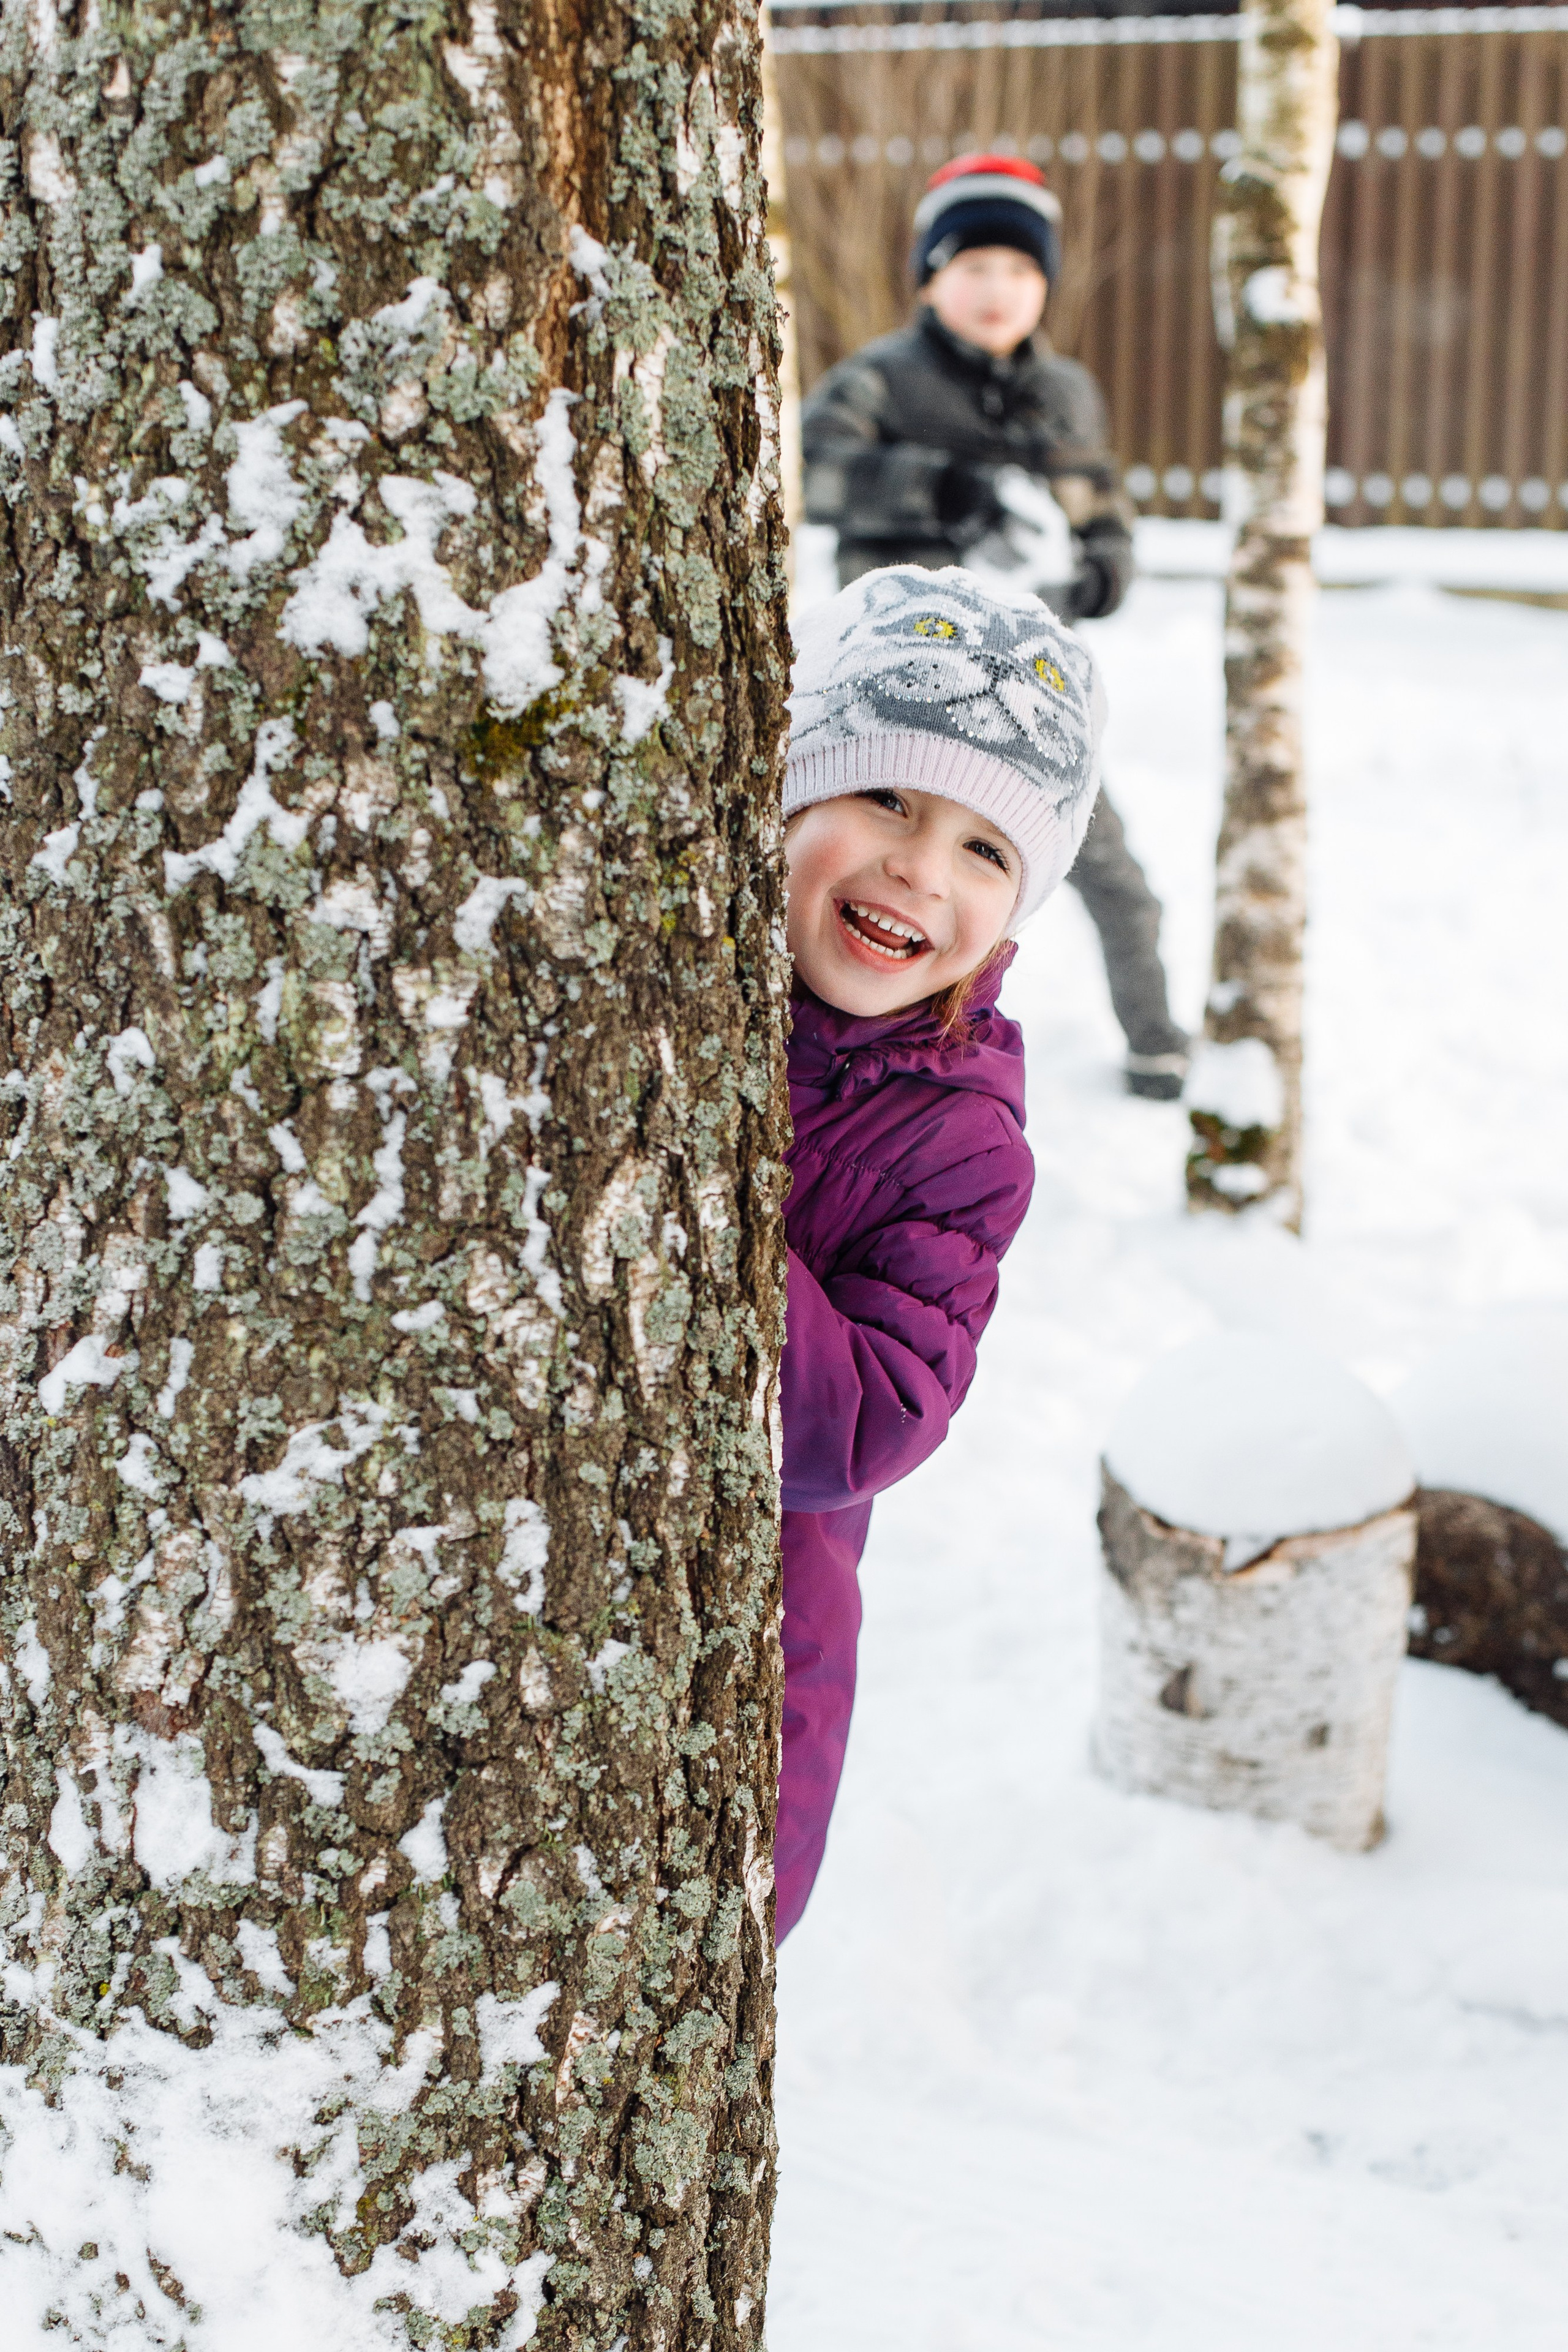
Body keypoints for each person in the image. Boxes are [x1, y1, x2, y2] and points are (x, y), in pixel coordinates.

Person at [776, 564, 1104, 1939]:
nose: (920, 868)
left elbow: (865, 1424)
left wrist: (698, 1222)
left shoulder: (960, 1138)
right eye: (887, 798)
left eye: (986, 850)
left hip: (750, 1641)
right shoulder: (655, 975)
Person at [801, 153, 1189, 1101]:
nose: (998, 289)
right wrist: (948, 490)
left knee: (1113, 875)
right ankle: (843, 1059)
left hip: (1026, 710)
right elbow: (812, 470)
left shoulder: (1065, 393)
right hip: (896, 709)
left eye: (1019, 270)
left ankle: (1155, 1039)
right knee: (877, 881)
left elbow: (1102, 509)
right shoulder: (879, 380)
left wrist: (1098, 570)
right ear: (932, 277)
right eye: (974, 266)